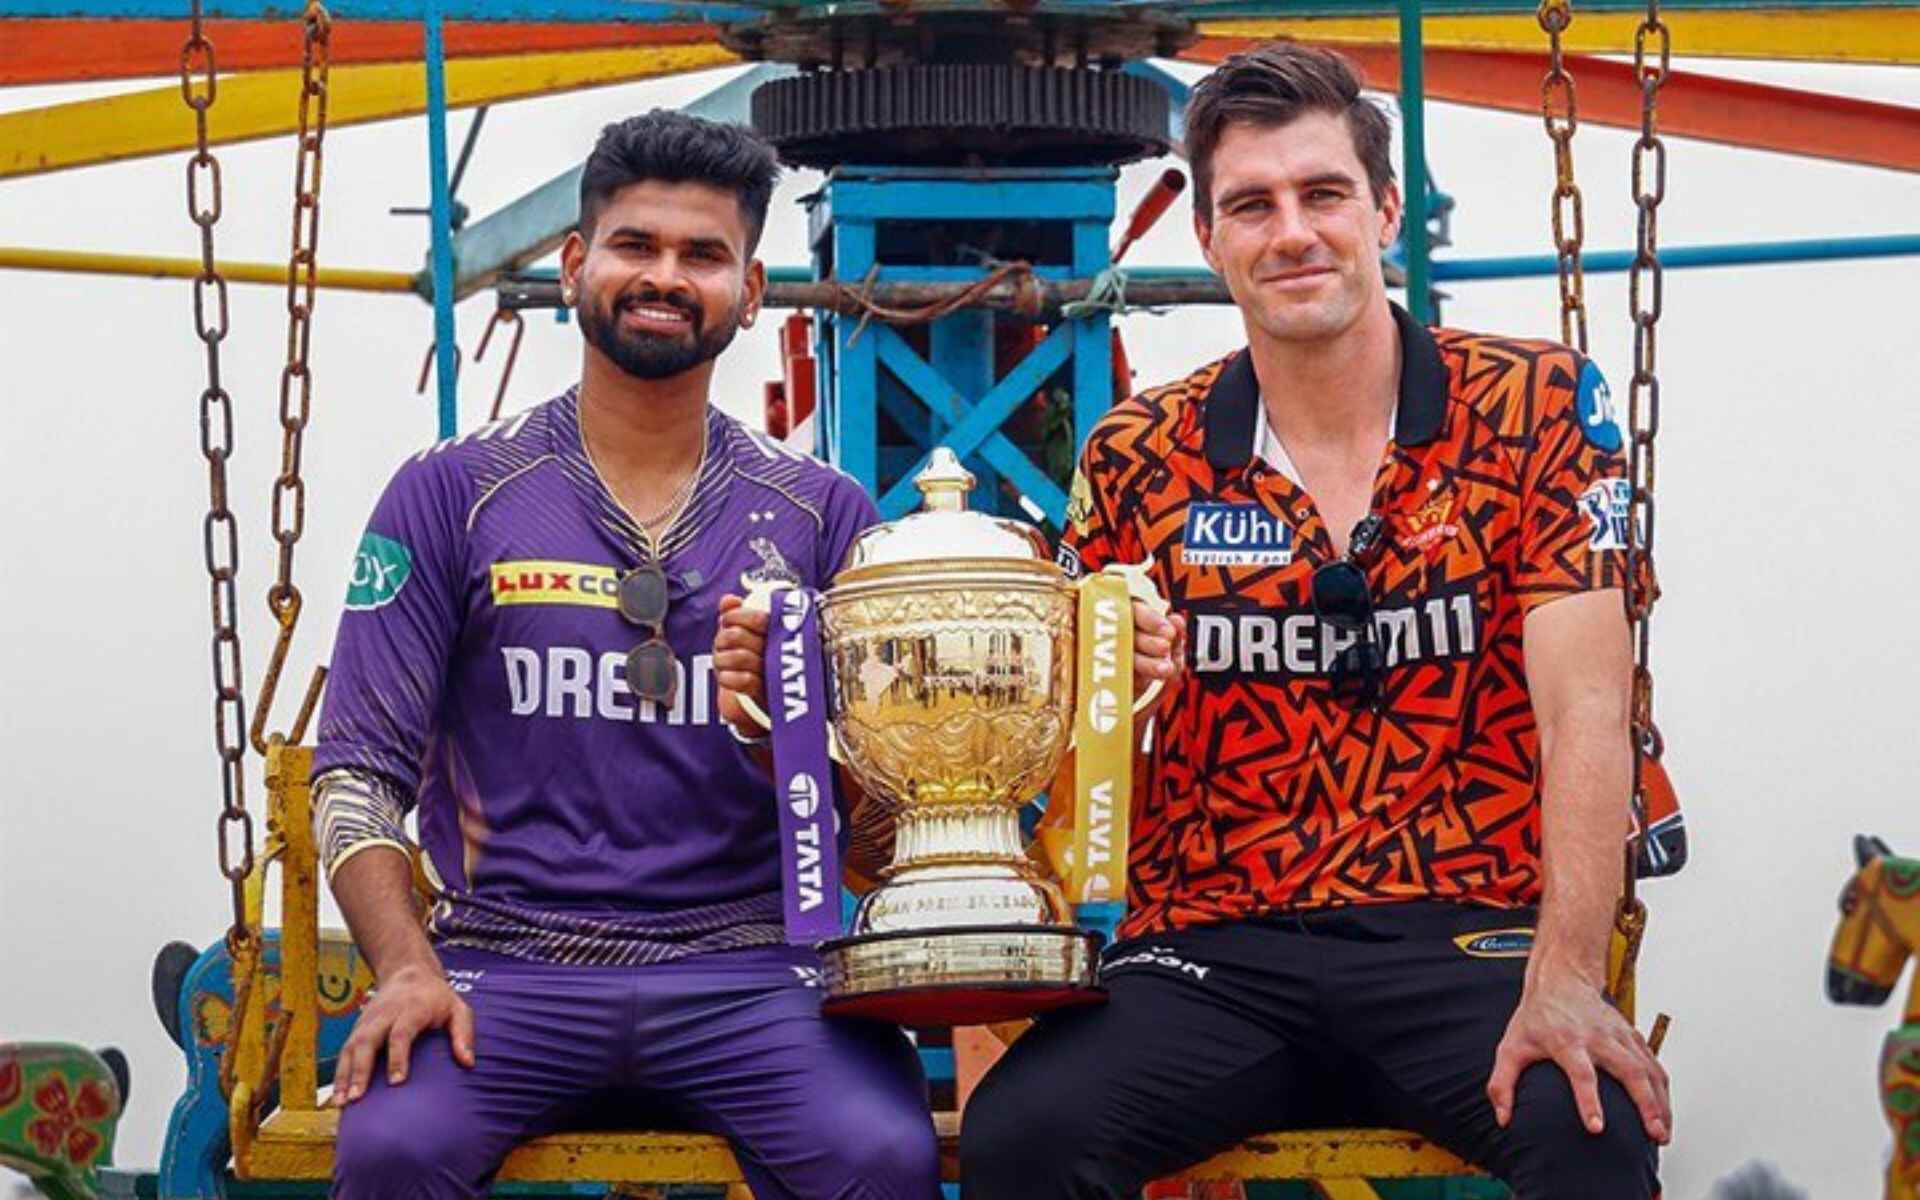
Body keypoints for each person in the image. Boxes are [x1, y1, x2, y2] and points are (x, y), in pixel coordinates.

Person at [961, 42, 1669, 1200]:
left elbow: (1588, 709)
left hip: (1463, 931)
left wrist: (1569, 975)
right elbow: (1070, 755)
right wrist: (1112, 683)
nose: (1291, 231)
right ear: (1210, 240)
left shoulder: (1536, 405)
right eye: (1252, 204)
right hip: (1213, 951)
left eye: (1322, 193)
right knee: (1022, 1139)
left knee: (1587, 1128)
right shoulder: (1139, 454)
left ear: (1384, 210)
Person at [310, 110, 939, 1200]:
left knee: (880, 1155)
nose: (664, 276)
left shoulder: (824, 515)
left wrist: (775, 741)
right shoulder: (452, 493)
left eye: (703, 255)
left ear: (749, 294)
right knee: (392, 1150)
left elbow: (886, 829)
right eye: (635, 245)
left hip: (756, 970)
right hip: (504, 964)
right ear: (574, 265)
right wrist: (406, 968)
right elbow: (355, 775)